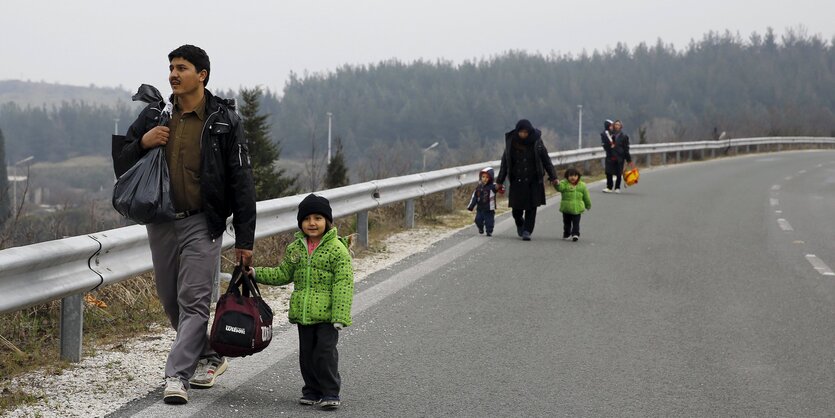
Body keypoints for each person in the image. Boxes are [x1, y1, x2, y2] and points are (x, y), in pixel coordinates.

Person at [114, 45, 256, 405]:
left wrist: (245, 238)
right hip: (161, 221)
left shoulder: (223, 120)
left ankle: (177, 376)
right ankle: (209, 354)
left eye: (182, 68)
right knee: (170, 300)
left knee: (194, 300)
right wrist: (144, 143)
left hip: (201, 222)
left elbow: (241, 181)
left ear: (202, 75)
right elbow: (121, 164)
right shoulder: (154, 115)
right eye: (171, 68)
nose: (173, 74)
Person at [246, 194, 353, 410]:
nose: (312, 223)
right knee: (307, 355)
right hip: (304, 315)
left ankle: (330, 391)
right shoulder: (295, 249)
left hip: (328, 315)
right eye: (307, 219)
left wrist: (340, 316)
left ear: (327, 221)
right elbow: (283, 273)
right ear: (300, 222)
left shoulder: (337, 250)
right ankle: (311, 390)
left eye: (318, 218)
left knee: (324, 353)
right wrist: (256, 273)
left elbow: (344, 284)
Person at [495, 119, 558, 241]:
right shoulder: (511, 142)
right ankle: (520, 223)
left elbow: (546, 160)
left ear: (529, 131)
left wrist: (553, 177)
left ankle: (527, 230)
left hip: (533, 179)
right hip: (517, 179)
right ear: (517, 131)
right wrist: (499, 181)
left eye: (526, 132)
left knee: (531, 207)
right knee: (516, 210)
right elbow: (505, 163)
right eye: (521, 132)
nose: (523, 134)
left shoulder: (537, 141)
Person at [554, 167, 591, 241]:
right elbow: (559, 188)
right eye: (570, 176)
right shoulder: (564, 184)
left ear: (578, 176)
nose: (573, 177)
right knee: (566, 223)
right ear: (567, 177)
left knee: (576, 223)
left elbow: (586, 196)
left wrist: (588, 204)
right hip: (566, 209)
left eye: (575, 176)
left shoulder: (582, 185)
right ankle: (567, 234)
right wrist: (556, 184)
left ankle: (575, 234)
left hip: (577, 209)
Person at [603, 119, 635, 193]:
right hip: (610, 156)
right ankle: (609, 187)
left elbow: (626, 148)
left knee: (618, 172)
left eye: (618, 125)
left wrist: (628, 159)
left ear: (621, 126)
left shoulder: (624, 136)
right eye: (616, 124)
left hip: (620, 156)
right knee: (608, 172)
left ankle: (617, 187)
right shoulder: (609, 134)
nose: (617, 126)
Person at [467, 167, 497, 236]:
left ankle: (489, 231)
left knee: (489, 222)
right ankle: (480, 228)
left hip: (489, 209)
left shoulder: (492, 186)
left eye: (487, 177)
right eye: (483, 177)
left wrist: (501, 188)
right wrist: (471, 206)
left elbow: (500, 188)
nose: (485, 179)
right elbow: (474, 197)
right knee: (478, 220)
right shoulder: (479, 187)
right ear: (480, 177)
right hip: (480, 209)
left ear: (491, 178)